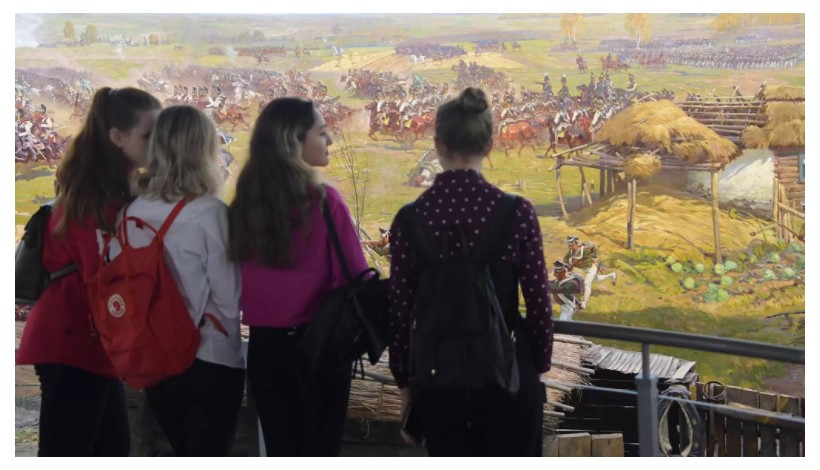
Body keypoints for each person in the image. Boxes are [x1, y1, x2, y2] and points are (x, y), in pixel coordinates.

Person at [387, 87, 554, 456]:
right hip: (508, 380)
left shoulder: (409, 221)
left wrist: (406, 389)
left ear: (438, 145)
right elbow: (540, 306)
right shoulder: (517, 214)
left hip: (438, 386)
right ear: (490, 145)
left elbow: (399, 313)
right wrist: (536, 368)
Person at [16, 87, 162, 456]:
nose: (158, 144)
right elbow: (106, 274)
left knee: (110, 450)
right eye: (149, 135)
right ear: (117, 137)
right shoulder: (92, 200)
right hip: (72, 340)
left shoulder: (112, 193)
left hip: (92, 342)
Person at [228, 97, 368, 456]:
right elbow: (355, 277)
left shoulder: (241, 207)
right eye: (322, 133)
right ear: (295, 141)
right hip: (320, 348)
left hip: (265, 351)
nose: (329, 140)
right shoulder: (324, 202)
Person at [105, 105, 245, 456]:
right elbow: (229, 300)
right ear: (204, 152)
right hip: (210, 357)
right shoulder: (210, 213)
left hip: (154, 357)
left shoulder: (129, 213)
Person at [563, 235, 616, 309]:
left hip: (592, 268)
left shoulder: (585, 250)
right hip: (586, 270)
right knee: (597, 279)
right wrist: (568, 265)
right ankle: (612, 275)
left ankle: (584, 303)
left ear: (575, 243)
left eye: (571, 244)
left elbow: (588, 263)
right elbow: (565, 258)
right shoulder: (571, 251)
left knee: (587, 283)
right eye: (568, 244)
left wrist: (577, 264)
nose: (569, 246)